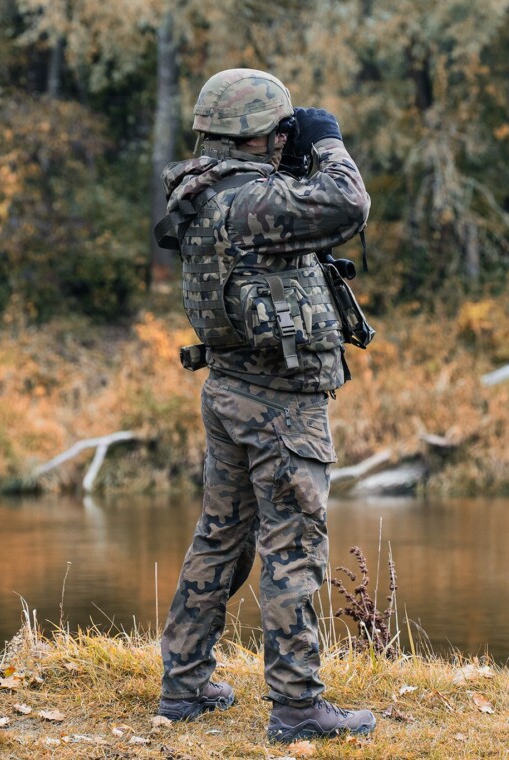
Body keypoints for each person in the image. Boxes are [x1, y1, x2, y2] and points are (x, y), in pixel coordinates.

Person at [153, 68, 375, 742]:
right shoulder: (256, 201)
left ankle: (184, 686)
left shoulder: (200, 192)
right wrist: (328, 140)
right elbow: (349, 204)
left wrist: (289, 144)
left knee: (221, 536)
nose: (289, 140)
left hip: (228, 390)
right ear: (261, 137)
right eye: (279, 131)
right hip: (279, 404)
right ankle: (298, 706)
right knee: (293, 546)